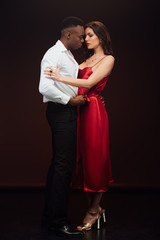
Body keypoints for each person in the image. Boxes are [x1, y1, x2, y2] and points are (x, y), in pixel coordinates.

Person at [44, 21, 115, 231]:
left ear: (101, 37)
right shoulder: (84, 59)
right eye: (84, 35)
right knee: (80, 160)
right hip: (77, 109)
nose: (85, 39)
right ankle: (93, 207)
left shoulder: (108, 59)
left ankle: (94, 210)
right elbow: (79, 88)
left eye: (90, 35)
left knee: (95, 158)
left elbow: (88, 84)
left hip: (92, 112)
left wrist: (59, 77)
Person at [39, 17, 85, 237]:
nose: (83, 40)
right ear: (68, 34)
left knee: (58, 165)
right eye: (81, 36)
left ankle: (49, 217)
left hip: (65, 112)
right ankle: (58, 222)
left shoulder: (68, 55)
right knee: (63, 166)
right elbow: (44, 87)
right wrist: (70, 101)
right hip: (61, 112)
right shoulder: (55, 54)